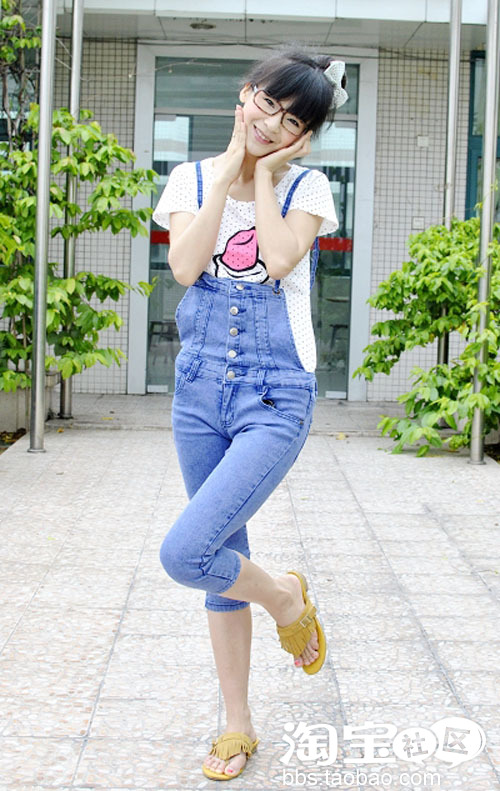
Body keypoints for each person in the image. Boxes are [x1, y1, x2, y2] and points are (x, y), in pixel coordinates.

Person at [153, 47, 348, 781]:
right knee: (217, 555)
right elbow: (185, 266)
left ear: (305, 136)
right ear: (246, 94)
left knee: (187, 551)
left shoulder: (308, 187)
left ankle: (284, 599)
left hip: (275, 393)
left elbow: (279, 259)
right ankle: (237, 722)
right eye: (268, 103)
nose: (273, 123)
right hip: (199, 391)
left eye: (292, 120)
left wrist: (263, 175)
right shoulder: (190, 178)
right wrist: (232, 165)